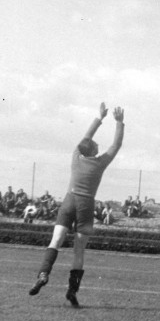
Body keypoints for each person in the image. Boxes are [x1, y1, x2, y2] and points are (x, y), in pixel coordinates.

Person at [29, 102, 125, 307]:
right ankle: (72, 291)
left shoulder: (76, 156)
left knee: (55, 241)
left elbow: (86, 137)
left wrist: (99, 118)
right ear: (93, 151)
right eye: (96, 145)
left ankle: (44, 274)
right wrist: (119, 123)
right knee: (79, 251)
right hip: (86, 204)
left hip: (69, 200)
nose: (97, 145)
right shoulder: (100, 163)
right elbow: (115, 145)